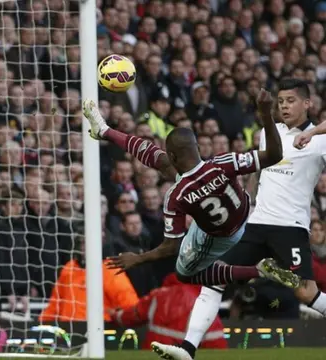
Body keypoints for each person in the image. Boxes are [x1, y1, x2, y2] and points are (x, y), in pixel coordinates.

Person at [87, 79, 326, 360]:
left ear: (308, 103)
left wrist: (315, 133)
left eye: (291, 101)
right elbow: (261, 171)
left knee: (305, 292)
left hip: (290, 226)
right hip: (255, 222)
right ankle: (188, 349)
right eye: (281, 101)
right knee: (214, 281)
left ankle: (260, 272)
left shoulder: (319, 140)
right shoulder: (267, 133)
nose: (284, 106)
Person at [92, 89, 297, 288]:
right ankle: (105, 131)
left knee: (184, 274)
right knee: (163, 164)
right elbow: (273, 155)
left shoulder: (176, 196)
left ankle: (258, 270)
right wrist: (266, 115)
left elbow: (171, 247)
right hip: (243, 210)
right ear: (197, 148)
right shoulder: (223, 162)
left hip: (221, 235)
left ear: (173, 156)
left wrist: (138, 258)